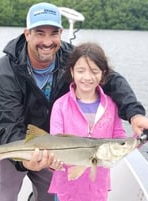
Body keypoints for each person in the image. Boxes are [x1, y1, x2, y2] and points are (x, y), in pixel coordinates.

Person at [0, 2, 148, 201]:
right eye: (40, 33)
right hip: (9, 141)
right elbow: (6, 123)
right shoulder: (6, 69)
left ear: (61, 33)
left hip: (52, 144)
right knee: (3, 197)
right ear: (27, 34)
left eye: (53, 33)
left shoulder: (71, 58)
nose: (47, 41)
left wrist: (135, 115)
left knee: (48, 196)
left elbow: (112, 80)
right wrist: (24, 161)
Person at [48, 42, 126, 201]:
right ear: (72, 71)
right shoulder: (60, 106)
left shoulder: (111, 105)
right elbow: (53, 142)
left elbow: (120, 137)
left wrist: (142, 138)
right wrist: (52, 163)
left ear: (103, 74)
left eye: (94, 71)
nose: (87, 77)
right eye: (81, 71)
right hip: (65, 187)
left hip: (97, 187)